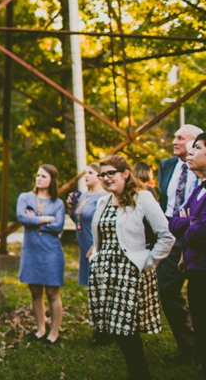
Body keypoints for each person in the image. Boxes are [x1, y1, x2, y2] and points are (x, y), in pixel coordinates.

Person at [87, 155, 175, 379]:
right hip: (104, 272)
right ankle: (138, 372)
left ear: (125, 174)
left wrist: (148, 261)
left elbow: (166, 235)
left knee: (125, 329)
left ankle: (140, 373)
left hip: (129, 272)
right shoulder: (103, 201)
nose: (106, 178)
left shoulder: (142, 197)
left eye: (110, 173)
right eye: (102, 174)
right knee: (112, 328)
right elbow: (102, 234)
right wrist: (95, 254)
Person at [158, 124, 203, 364]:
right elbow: (164, 200)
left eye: (180, 137)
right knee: (166, 289)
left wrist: (188, 225)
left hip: (199, 236)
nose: (174, 141)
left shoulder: (202, 170)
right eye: (173, 136)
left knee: (199, 294)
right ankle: (188, 346)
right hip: (171, 235)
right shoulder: (166, 166)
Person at [170, 132, 206, 378]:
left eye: (198, 148)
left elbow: (201, 231)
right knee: (200, 325)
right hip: (196, 268)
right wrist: (190, 222)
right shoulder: (199, 189)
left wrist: (189, 223)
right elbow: (175, 221)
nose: (190, 153)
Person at [16, 164, 65, 345]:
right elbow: (21, 217)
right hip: (31, 252)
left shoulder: (57, 203)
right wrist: (44, 219)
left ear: (52, 180)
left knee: (52, 292)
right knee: (35, 292)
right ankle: (41, 328)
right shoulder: (25, 197)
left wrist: (34, 220)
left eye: (43, 176)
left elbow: (59, 226)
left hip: (51, 252)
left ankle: (54, 331)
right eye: (37, 175)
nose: (39, 178)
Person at [66, 163, 107, 287]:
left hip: (95, 246)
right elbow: (79, 219)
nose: (86, 176)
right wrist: (71, 208)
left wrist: (95, 246)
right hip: (83, 245)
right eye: (85, 173)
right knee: (88, 287)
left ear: (100, 177)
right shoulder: (84, 196)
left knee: (98, 286)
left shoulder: (104, 197)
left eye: (90, 173)